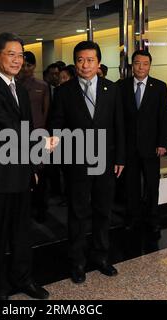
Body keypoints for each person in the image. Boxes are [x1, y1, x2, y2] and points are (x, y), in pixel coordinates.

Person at [0, 32, 50, 300]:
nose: (17, 60)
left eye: (20, 55)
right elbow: (7, 127)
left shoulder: (20, 87)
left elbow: (27, 127)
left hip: (19, 173)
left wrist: (32, 168)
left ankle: (24, 280)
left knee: (21, 232)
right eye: (11, 54)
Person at [49, 40, 125, 284]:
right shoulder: (64, 91)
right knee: (78, 214)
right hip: (77, 162)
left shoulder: (111, 89)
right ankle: (77, 262)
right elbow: (56, 126)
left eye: (90, 60)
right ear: (75, 62)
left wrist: (120, 157)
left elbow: (120, 126)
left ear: (99, 63)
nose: (85, 64)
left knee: (103, 211)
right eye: (80, 59)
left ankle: (101, 257)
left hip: (105, 160)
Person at [119, 50, 167, 232]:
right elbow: (119, 119)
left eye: (145, 63)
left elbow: (164, 117)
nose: (141, 67)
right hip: (129, 146)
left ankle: (153, 217)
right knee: (131, 185)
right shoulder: (121, 87)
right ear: (132, 65)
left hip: (152, 146)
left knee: (152, 184)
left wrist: (162, 142)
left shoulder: (160, 87)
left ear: (150, 65)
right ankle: (132, 217)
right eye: (137, 63)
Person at [19, 51, 51, 222]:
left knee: (41, 175)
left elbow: (46, 112)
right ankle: (25, 209)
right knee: (23, 173)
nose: (25, 69)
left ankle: (42, 209)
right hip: (18, 136)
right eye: (23, 65)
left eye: (29, 65)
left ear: (34, 66)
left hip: (39, 135)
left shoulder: (42, 86)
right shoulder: (14, 85)